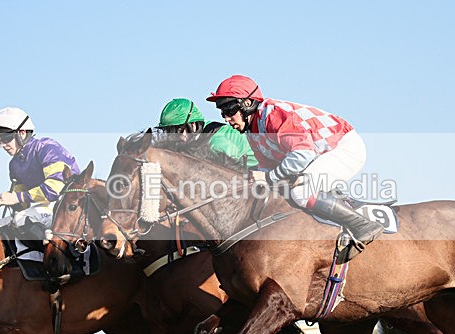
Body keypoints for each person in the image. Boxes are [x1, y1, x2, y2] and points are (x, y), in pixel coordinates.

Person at [206, 75, 383, 248]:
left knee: (301, 192)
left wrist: (268, 178)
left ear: (247, 103)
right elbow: (267, 167)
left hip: (343, 147)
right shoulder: (252, 131)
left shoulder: (272, 115)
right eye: (222, 113)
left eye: (229, 111)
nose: (226, 119)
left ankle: (363, 225)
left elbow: (302, 155)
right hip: (319, 154)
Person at [0, 107, 80, 245]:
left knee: (22, 220)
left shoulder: (47, 148)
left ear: (22, 133)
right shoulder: (14, 164)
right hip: (43, 209)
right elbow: (22, 202)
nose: (2, 145)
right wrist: (13, 201)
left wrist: (16, 198)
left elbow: (55, 188)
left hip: (67, 207)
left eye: (6, 138)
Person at [156, 97, 258, 167]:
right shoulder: (201, 136)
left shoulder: (216, 141)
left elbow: (227, 171)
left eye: (177, 132)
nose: (175, 138)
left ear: (192, 125)